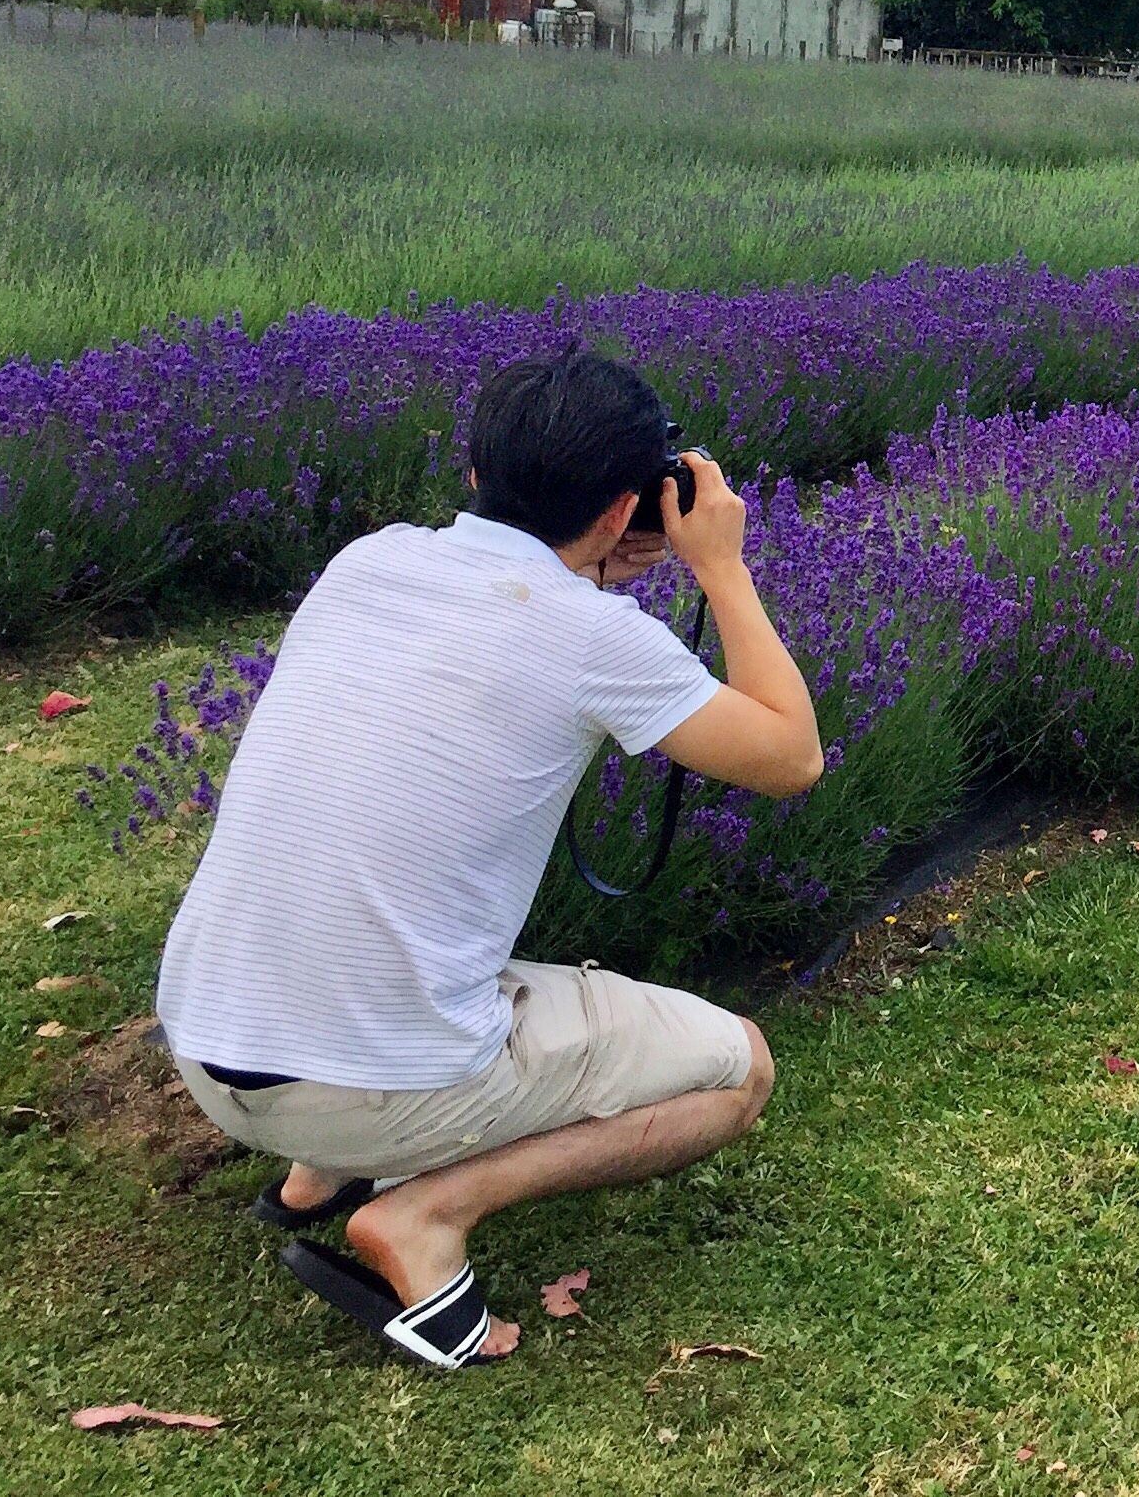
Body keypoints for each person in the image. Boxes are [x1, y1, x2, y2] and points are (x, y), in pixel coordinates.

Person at [155, 349, 825, 1369]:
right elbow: (792, 756)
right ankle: (426, 1213)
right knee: (739, 1068)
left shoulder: (366, 561)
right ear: (624, 507)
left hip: (207, 1038)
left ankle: (316, 1178)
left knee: (380, 900)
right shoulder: (595, 634)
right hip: (372, 1078)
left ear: (477, 472)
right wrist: (718, 564)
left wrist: (597, 555)